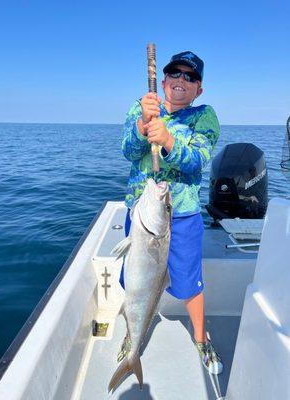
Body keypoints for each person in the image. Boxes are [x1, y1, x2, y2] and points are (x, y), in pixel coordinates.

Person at [119, 51, 223, 374]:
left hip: (183, 214)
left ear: (199, 89)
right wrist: (141, 125)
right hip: (142, 212)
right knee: (136, 280)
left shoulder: (205, 117)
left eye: (189, 77)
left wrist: (167, 140)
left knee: (190, 282)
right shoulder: (143, 107)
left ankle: (201, 337)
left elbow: (197, 159)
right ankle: (131, 337)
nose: (181, 80)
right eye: (174, 74)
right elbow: (127, 149)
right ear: (162, 81)